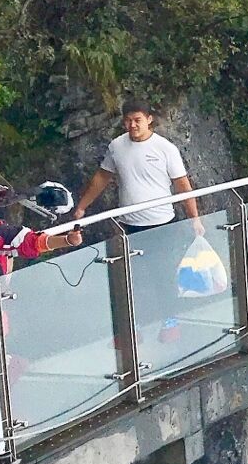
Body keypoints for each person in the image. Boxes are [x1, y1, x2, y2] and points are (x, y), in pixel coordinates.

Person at [73, 101, 204, 347]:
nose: (132, 125)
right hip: (128, 225)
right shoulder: (117, 146)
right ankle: (132, 329)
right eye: (128, 121)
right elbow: (102, 177)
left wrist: (194, 218)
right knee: (131, 279)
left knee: (162, 275)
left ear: (149, 119)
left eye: (137, 120)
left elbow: (182, 185)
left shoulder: (165, 149)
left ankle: (171, 322)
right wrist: (82, 206)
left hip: (161, 224)